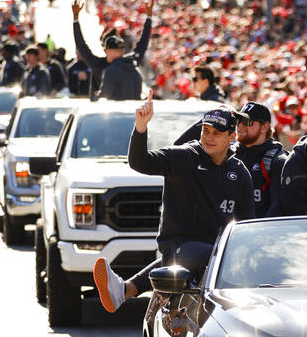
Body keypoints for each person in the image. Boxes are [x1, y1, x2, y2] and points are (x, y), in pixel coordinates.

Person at [93, 96, 255, 313]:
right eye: (205, 130)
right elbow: (140, 162)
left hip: (218, 249)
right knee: (213, 256)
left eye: (217, 133)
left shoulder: (240, 171)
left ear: (232, 137)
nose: (209, 137)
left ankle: (124, 290)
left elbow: (247, 225)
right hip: (180, 243)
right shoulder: (184, 156)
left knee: (234, 258)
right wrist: (141, 128)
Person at [71, 0, 152, 99]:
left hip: (110, 112)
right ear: (106, 51)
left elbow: (143, 44)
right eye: (116, 50)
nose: (119, 52)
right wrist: (75, 19)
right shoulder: (130, 62)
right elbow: (81, 46)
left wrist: (149, 18)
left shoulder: (129, 62)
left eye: (120, 50)